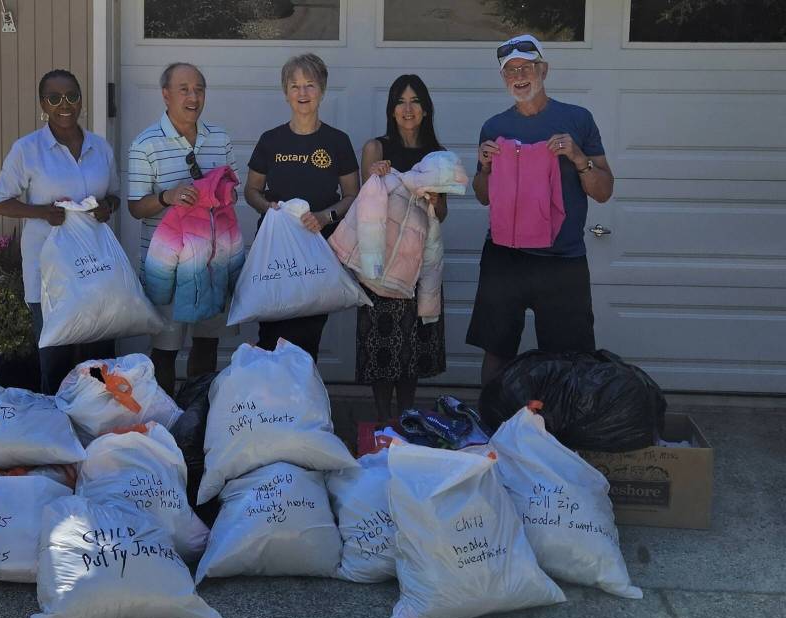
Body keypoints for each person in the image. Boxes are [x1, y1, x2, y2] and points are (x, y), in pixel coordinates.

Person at [469, 35, 614, 386]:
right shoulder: (494, 128)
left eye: (526, 67)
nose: (518, 76)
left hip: (561, 259)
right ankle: (493, 428)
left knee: (570, 357)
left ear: (543, 70)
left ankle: (567, 432)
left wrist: (579, 158)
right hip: (505, 258)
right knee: (497, 349)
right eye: (510, 71)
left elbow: (604, 191)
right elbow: (483, 196)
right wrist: (485, 167)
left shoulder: (578, 120)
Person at [0, 69, 121, 394]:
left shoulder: (100, 148)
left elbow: (115, 194)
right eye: (54, 98)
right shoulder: (27, 150)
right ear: (43, 105)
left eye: (72, 96)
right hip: (50, 272)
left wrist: (108, 207)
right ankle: (59, 432)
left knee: (99, 358)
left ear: (81, 101)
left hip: (95, 267)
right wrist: (42, 213)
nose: (65, 104)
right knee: (56, 359)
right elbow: (1, 202)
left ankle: (98, 425)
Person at [127, 63, 239, 395]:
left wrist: (218, 191)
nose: (193, 97)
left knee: (206, 345)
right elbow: (135, 207)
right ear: (165, 94)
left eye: (199, 89)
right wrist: (168, 197)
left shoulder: (219, 137)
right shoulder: (144, 144)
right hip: (167, 267)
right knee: (165, 349)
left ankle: (196, 416)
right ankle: (164, 424)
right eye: (184, 89)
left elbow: (233, 187)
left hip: (212, 263)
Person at [244, 53, 359, 361]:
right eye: (294, 86)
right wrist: (267, 207)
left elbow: (352, 196)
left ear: (321, 90)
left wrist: (325, 216)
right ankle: (270, 404)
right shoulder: (271, 140)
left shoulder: (337, 141)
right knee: (270, 332)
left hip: (317, 253)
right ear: (285, 93)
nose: (303, 93)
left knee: (307, 337)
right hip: (274, 254)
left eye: (310, 85)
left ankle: (301, 402)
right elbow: (251, 190)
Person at [358, 74, 448, 420]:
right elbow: (365, 209)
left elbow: (441, 215)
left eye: (415, 102)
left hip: (421, 263)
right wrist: (376, 176)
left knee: (413, 350)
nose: (407, 109)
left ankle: (408, 420)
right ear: (391, 110)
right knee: (380, 351)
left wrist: (436, 198)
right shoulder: (375, 149)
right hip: (381, 263)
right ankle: (383, 424)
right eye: (400, 101)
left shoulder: (438, 156)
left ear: (426, 110)